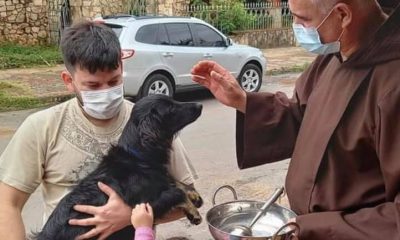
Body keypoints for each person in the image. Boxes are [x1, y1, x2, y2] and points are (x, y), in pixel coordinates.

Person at [192, 0, 400, 239]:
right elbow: (302, 117)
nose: (297, 26)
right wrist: (244, 101)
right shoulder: (334, 55)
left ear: (342, 15)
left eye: (303, 19)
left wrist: (315, 228)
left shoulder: (392, 84)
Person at [0, 20, 198, 240]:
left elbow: (189, 200)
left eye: (113, 81)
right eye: (93, 86)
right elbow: (7, 203)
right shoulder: (42, 127)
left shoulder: (151, 122)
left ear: (122, 68)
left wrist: (129, 216)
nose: (106, 92)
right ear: (69, 80)